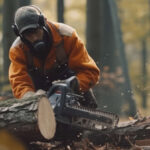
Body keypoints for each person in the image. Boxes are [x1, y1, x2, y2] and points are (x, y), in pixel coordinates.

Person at [9, 5, 100, 108]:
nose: (34, 38)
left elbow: (90, 72)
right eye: (28, 35)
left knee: (84, 97)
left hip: (71, 87)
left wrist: (74, 85)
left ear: (43, 23)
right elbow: (19, 81)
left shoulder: (67, 37)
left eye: (36, 31)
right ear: (19, 34)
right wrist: (31, 97)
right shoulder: (18, 50)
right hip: (40, 90)